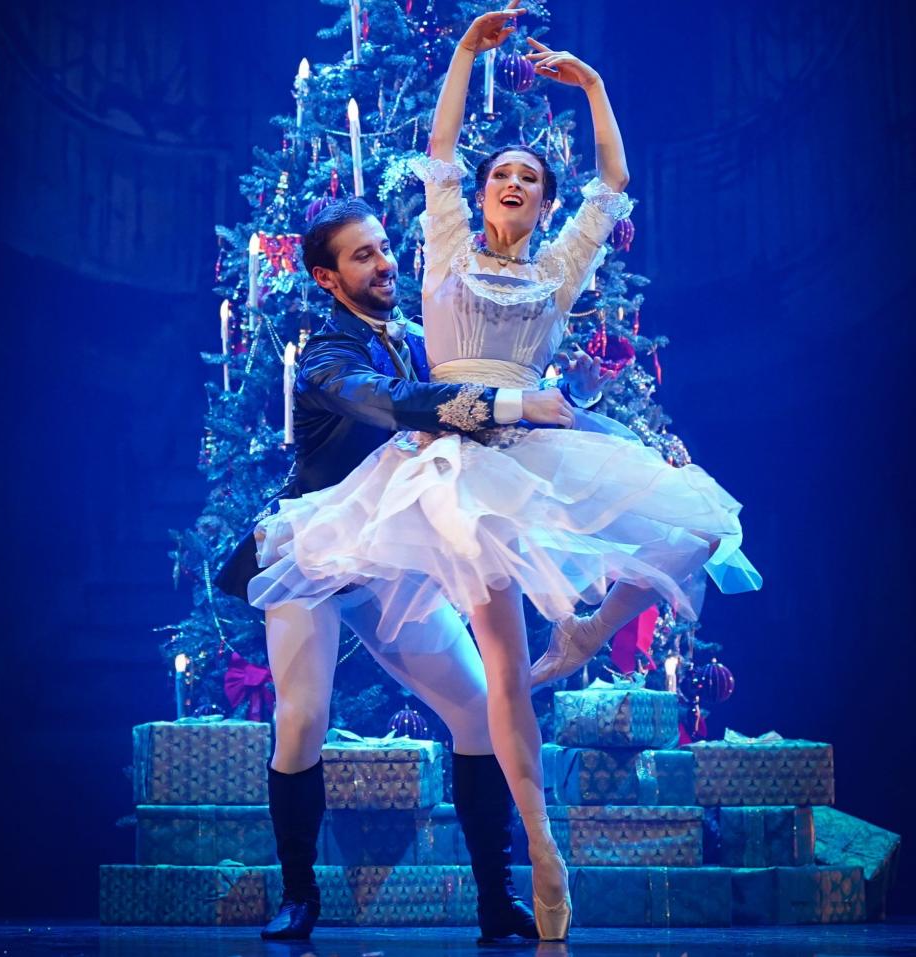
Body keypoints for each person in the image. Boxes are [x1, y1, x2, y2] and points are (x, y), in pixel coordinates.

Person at [249, 3, 760, 941]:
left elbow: (611, 188)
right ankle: (329, 891)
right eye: (503, 174)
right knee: (317, 713)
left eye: (529, 174)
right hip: (383, 506)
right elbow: (439, 160)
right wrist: (464, 54)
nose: (515, 180)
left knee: (676, 548)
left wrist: (597, 88)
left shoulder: (511, 287)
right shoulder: (383, 306)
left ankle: (512, 856)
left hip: (487, 475)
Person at [216, 195, 604, 942]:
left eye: (385, 246)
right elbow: (394, 402)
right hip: (317, 549)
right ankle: (300, 895)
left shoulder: (420, 338)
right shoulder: (331, 357)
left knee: (477, 708)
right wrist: (510, 402)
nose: (385, 261)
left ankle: (496, 901)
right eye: (362, 255)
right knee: (303, 719)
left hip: (390, 551)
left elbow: (480, 379)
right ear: (328, 280)